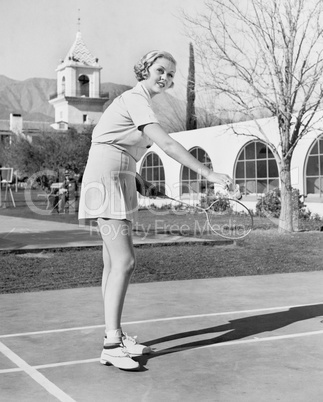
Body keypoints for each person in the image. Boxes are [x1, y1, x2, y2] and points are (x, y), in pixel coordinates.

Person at [78, 50, 233, 370]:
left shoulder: (138, 102)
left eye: (171, 75)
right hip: (106, 179)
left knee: (112, 263)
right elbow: (168, 144)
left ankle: (115, 335)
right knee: (125, 261)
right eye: (161, 70)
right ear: (145, 69)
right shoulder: (136, 99)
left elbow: (120, 148)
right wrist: (209, 174)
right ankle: (110, 343)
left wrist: (140, 181)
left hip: (118, 177)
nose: (166, 78)